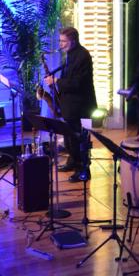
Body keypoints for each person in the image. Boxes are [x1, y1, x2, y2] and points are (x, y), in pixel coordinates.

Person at [45, 27, 97, 181]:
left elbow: (77, 83)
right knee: (69, 138)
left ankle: (83, 170)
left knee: (80, 140)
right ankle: (73, 161)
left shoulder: (82, 56)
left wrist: (56, 81)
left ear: (73, 41)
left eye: (64, 41)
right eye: (60, 41)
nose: (60, 44)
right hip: (71, 105)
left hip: (82, 106)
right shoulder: (70, 55)